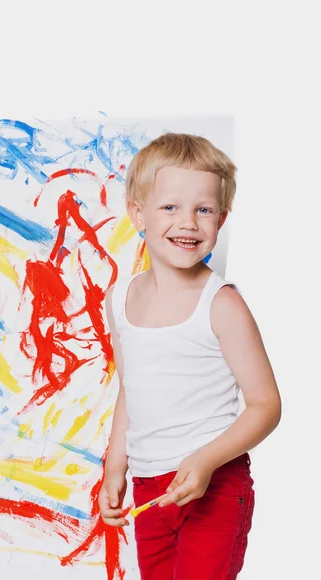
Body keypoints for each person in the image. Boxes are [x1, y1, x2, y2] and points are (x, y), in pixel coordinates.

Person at [98, 133, 281, 579]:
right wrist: (115, 464)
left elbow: (266, 405)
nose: (189, 222)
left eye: (203, 209)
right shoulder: (119, 299)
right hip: (148, 489)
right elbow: (131, 388)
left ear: (221, 218)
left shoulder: (221, 304)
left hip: (215, 485)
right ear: (138, 213)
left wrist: (203, 462)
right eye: (170, 208)